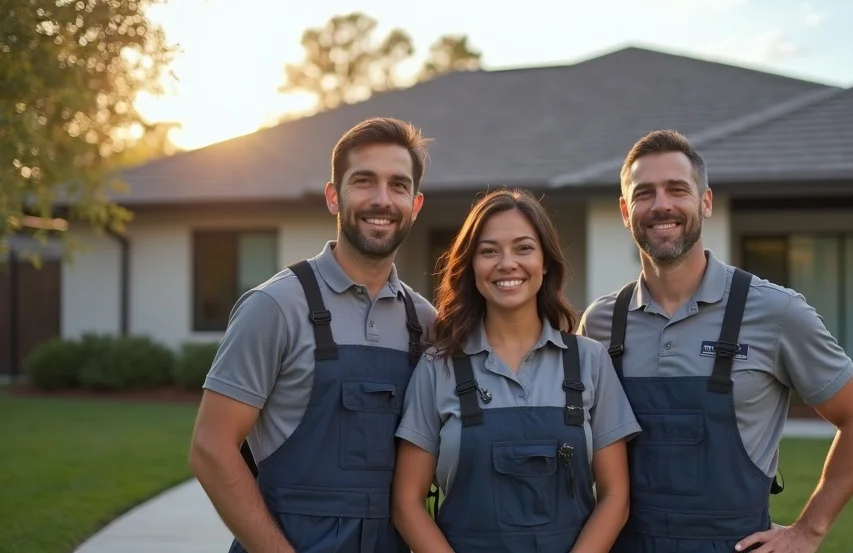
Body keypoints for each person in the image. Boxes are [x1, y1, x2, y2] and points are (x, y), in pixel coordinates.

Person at [577, 129, 853, 553]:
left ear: (705, 202)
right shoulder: (600, 324)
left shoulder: (777, 313)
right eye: (644, 193)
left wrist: (808, 530)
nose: (661, 205)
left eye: (677, 189)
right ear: (625, 211)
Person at [188, 117, 439, 553]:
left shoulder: (426, 323)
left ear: (415, 205)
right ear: (333, 197)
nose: (382, 199)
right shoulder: (275, 307)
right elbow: (211, 449)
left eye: (398, 185)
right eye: (364, 181)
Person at [390, 188, 641, 552]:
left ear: (546, 263)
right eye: (489, 251)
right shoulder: (437, 368)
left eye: (524, 248)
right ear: (470, 266)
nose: (507, 263)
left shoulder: (590, 361)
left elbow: (616, 497)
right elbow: (406, 504)